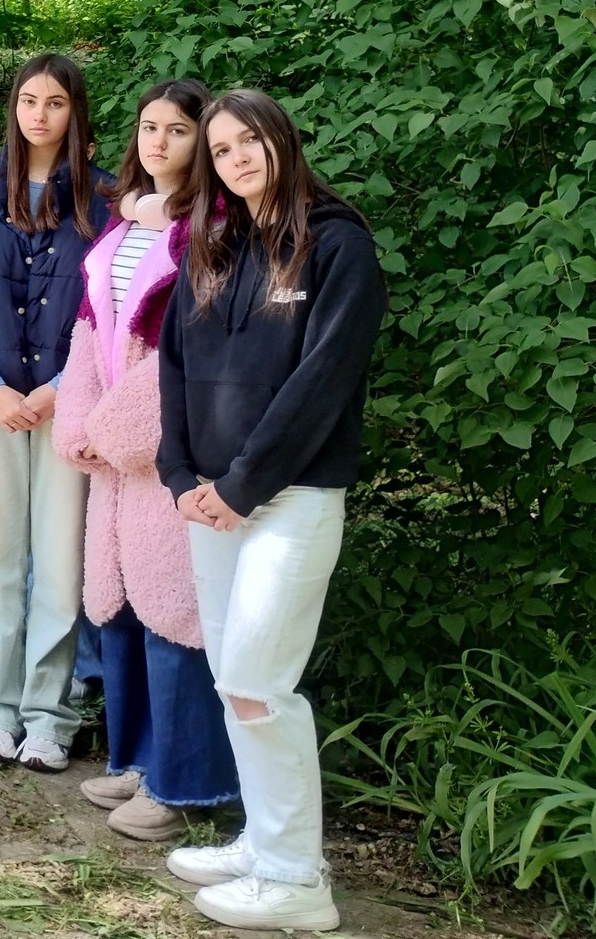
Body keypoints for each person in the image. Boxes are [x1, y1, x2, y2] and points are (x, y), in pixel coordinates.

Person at [158, 88, 386, 931]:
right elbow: (174, 366)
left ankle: (297, 882)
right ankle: (264, 842)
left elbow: (321, 383)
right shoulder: (217, 249)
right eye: (220, 149)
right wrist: (179, 473)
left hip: (290, 500)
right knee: (235, 683)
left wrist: (241, 484)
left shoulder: (338, 246)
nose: (236, 158)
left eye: (248, 140)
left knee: (259, 685)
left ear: (281, 140)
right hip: (211, 501)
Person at [56, 79, 239, 841]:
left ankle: (183, 785)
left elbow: (186, 351)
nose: (158, 142)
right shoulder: (123, 221)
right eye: (148, 127)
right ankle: (135, 758)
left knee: (174, 612)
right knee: (120, 606)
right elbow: (88, 328)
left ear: (203, 144)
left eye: (177, 130)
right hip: (114, 458)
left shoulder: (212, 231)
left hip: (171, 452)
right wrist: (80, 423)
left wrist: (116, 430)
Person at [0, 53, 115, 772]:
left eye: (55, 103)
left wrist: (59, 388)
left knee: (61, 562)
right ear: (13, 109)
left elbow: (111, 311)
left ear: (76, 113)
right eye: (28, 101)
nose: (39, 115)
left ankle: (49, 717)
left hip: (69, 407)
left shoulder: (107, 200)